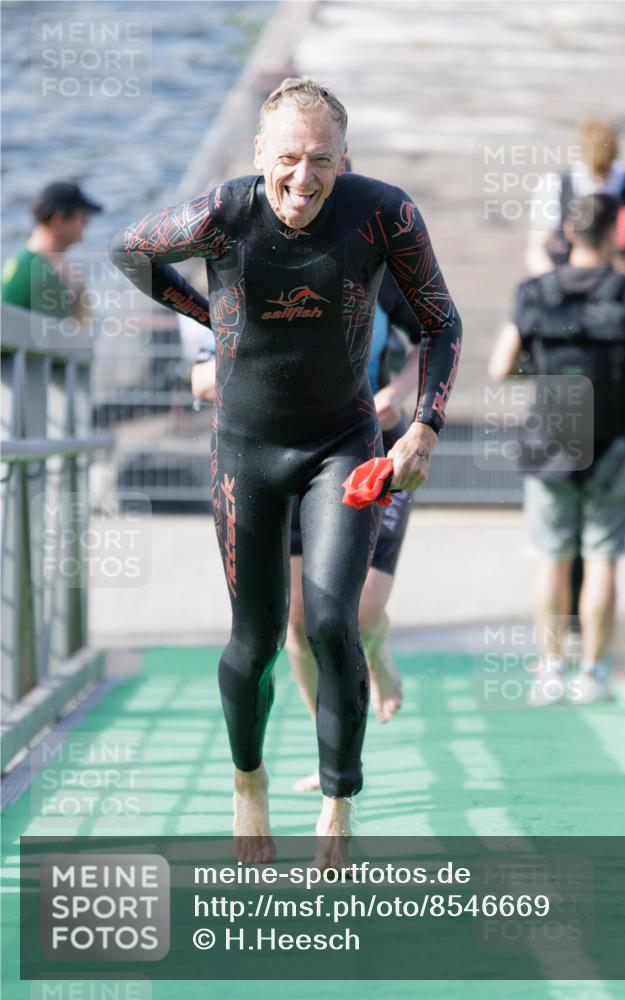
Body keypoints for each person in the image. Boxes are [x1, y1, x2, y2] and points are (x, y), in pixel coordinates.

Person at [110, 77, 462, 865]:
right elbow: (128, 250)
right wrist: (209, 314)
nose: (304, 179)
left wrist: (425, 429)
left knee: (334, 624)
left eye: (323, 162)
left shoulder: (382, 212)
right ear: (260, 155)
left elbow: (439, 319)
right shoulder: (224, 212)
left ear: (346, 160)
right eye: (289, 160)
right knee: (255, 641)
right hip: (246, 452)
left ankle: (338, 805)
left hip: (343, 443)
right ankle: (248, 784)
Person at [190, 270, 421, 791]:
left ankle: (376, 650)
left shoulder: (377, 269)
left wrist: (397, 391)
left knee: (356, 615)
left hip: (370, 451)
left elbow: (433, 335)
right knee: (298, 621)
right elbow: (199, 378)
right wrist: (257, 358)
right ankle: (331, 747)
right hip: (280, 457)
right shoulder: (252, 268)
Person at [490, 194, 625, 706]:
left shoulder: (533, 292)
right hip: (612, 439)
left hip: (550, 439)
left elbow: (500, 367)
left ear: (567, 231)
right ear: (613, 234)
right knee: (603, 559)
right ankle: (593, 672)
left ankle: (549, 670)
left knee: (552, 558)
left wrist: (541, 370)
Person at [526, 118, 625, 278]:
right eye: (594, 175)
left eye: (605, 175)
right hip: (569, 281)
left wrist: (621, 279)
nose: (599, 183)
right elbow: (536, 248)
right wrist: (556, 283)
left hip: (624, 284)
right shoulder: (555, 184)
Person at [1, 181, 102, 319]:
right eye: (83, 216)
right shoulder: (44, 273)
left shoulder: (22, 259)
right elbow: (63, 336)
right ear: (58, 219)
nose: (87, 222)